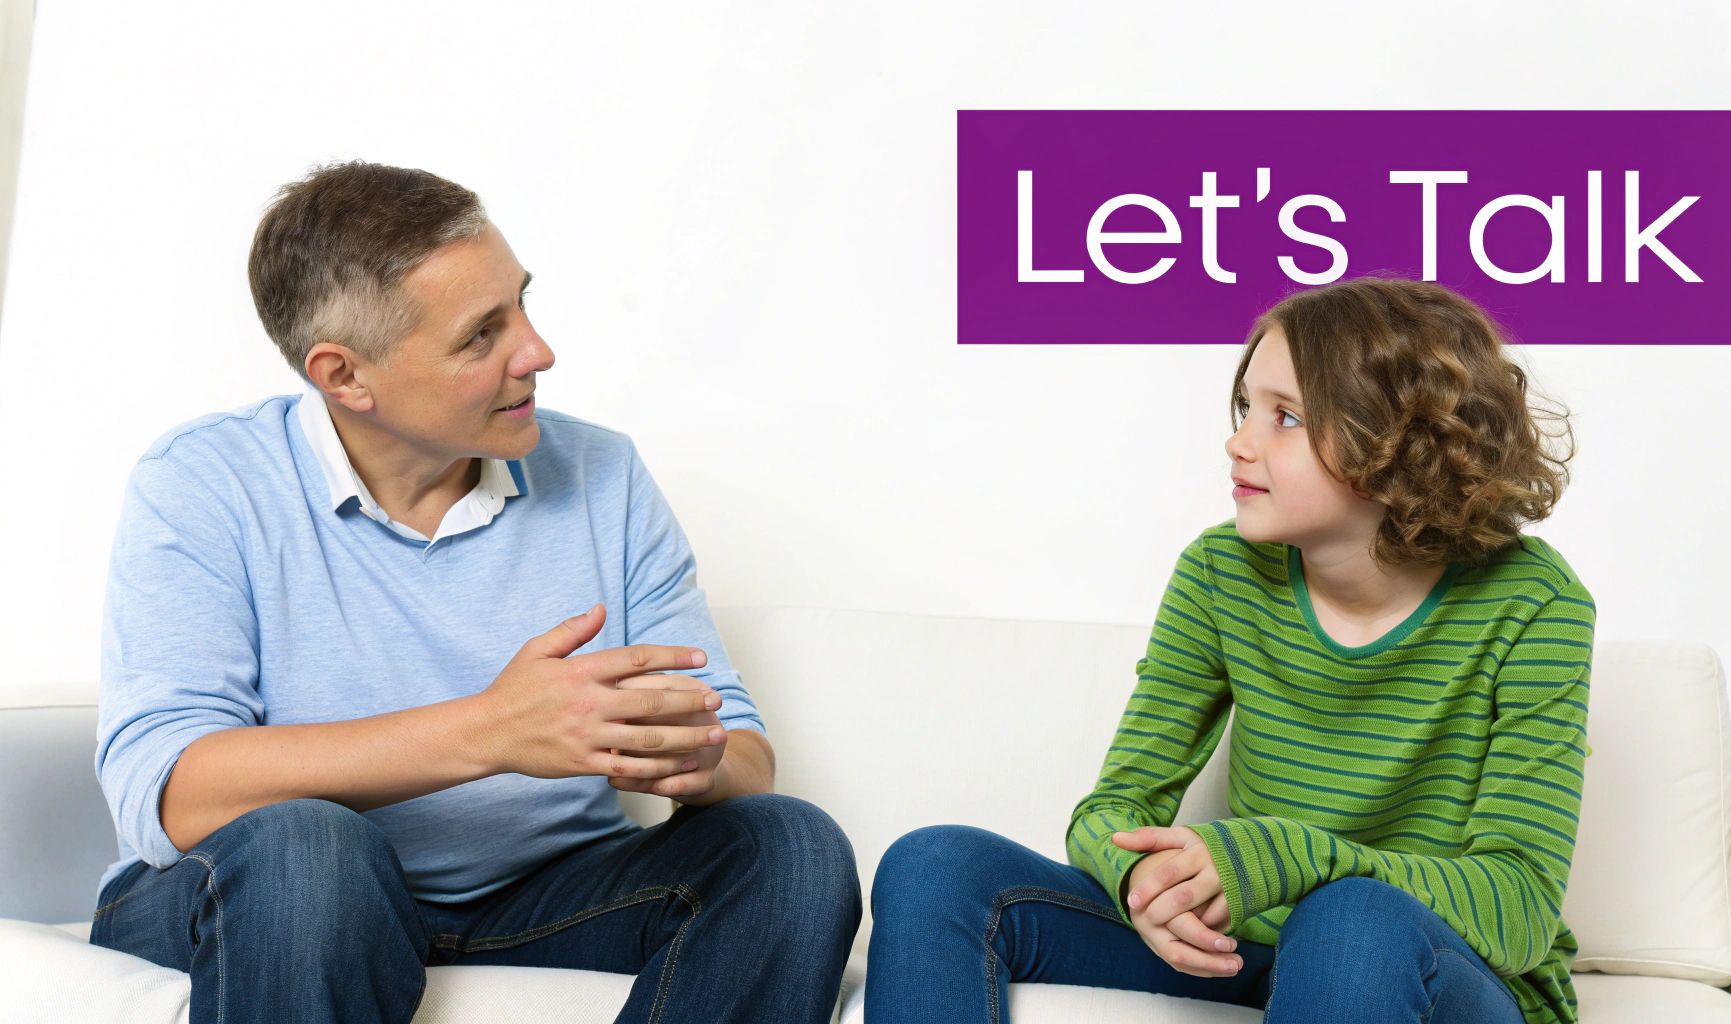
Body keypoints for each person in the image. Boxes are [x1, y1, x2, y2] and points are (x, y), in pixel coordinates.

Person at [87, 160, 861, 1024]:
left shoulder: (603, 473)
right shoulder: (204, 481)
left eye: (522, 304)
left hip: (541, 900)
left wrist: (691, 755)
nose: (537, 351)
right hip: (263, 894)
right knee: (313, 850)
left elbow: (746, 756)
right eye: (481, 334)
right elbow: (172, 791)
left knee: (790, 844)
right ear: (344, 376)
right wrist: (491, 732)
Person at [866, 276, 1595, 1024]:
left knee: (1351, 918)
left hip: (1441, 970)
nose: (1238, 442)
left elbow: (1520, 907)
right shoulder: (1222, 572)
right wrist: (1139, 886)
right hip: (1249, 952)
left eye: (1286, 417)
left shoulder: (1534, 603)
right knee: (935, 867)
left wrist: (1288, 855)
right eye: (1248, 407)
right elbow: (1113, 809)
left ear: (1398, 441)